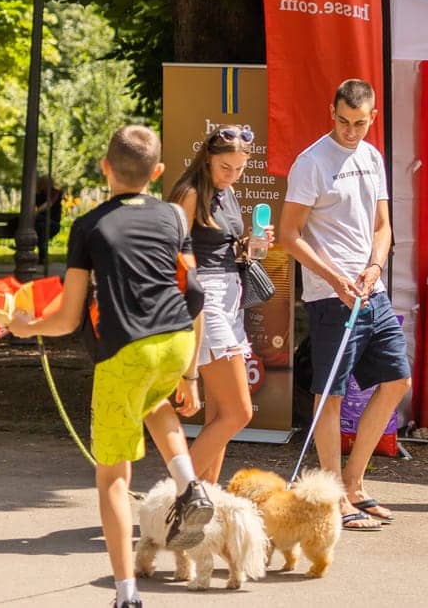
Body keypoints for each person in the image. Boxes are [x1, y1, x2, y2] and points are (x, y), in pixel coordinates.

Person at [9, 124, 213, 608]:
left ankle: (126, 594)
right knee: (155, 400)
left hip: (126, 351)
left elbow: (67, 317)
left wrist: (24, 326)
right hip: (178, 341)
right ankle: (190, 484)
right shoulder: (172, 219)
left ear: (105, 168)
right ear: (157, 173)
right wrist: (190, 375)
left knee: (113, 480)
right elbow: (196, 294)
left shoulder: (90, 226)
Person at [277, 79, 411, 532]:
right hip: (330, 296)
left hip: (372, 290)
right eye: (343, 122)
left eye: (360, 123)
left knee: (396, 381)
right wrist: (335, 279)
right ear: (330, 113)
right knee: (329, 395)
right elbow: (288, 235)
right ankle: (332, 494)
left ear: (373, 117)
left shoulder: (372, 156)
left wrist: (375, 266)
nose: (351, 131)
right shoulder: (311, 162)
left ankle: (354, 485)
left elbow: (383, 226)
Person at [168, 123, 264, 483]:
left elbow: (223, 245)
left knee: (221, 414)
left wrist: (251, 244)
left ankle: (204, 499)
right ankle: (176, 493)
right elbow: (170, 253)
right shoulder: (189, 193)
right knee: (239, 413)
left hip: (230, 297)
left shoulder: (228, 192)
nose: (232, 176)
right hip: (204, 298)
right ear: (208, 159)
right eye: (226, 168)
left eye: (239, 169)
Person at [32, 174, 64, 274]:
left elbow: (49, 203)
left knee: (39, 223)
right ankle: (43, 256)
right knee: (40, 227)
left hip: (52, 223)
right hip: (41, 224)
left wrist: (36, 213)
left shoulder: (55, 192)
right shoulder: (38, 194)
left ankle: (41, 255)